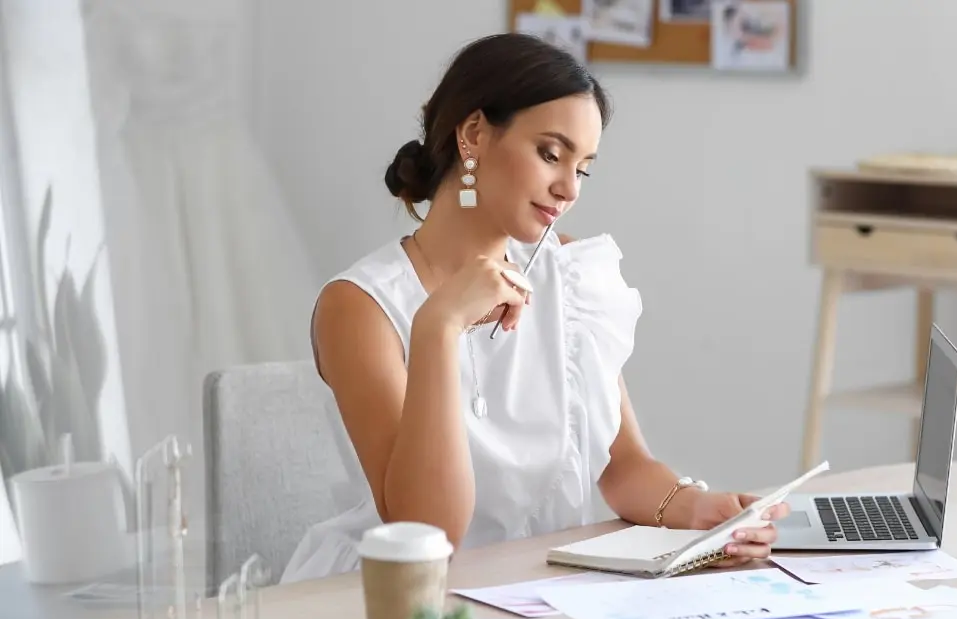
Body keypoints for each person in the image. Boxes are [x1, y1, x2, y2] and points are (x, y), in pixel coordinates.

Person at [279, 33, 789, 584]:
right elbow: (429, 532)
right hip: (402, 594)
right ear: (474, 134)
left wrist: (701, 511)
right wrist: (439, 327)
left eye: (584, 168)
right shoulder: (360, 306)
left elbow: (624, 468)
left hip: (545, 585)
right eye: (551, 153)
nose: (569, 188)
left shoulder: (570, 274)